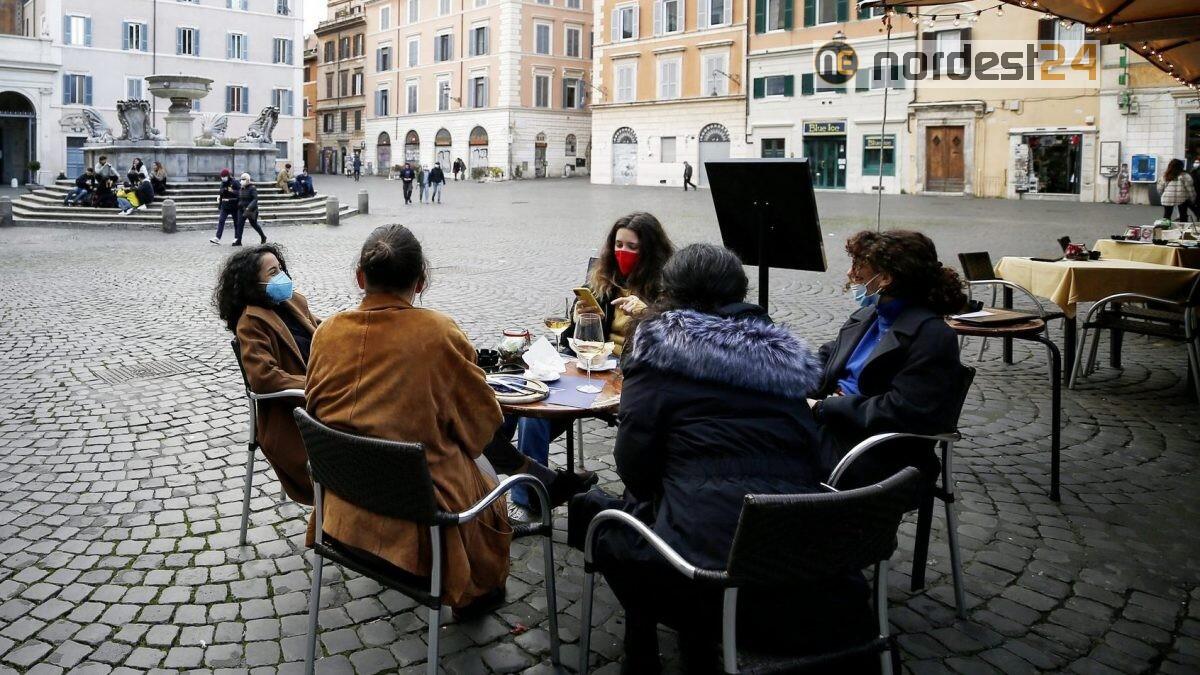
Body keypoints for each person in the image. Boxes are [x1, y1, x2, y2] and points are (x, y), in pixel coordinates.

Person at [570, 244, 873, 674]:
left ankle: (642, 646)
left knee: (600, 515)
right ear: (738, 291)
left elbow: (634, 467)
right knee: (668, 505)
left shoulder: (658, 353)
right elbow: (810, 452)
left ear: (669, 293)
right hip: (807, 568)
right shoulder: (785, 361)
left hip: (710, 586)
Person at [304, 224, 510, 613]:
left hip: (341, 513)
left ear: (361, 278)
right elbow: (482, 427)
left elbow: (314, 407)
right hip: (421, 524)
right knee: (485, 473)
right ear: (420, 282)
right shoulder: (438, 333)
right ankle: (476, 590)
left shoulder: (326, 332)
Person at [808, 229, 968, 487]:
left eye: (859, 265)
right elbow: (823, 363)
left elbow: (902, 410)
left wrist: (823, 407)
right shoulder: (866, 317)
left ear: (886, 278)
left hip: (875, 451)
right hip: (832, 429)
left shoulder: (932, 336)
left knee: (763, 455)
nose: (851, 274)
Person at [214, 244, 320, 505]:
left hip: (319, 396)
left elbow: (323, 332)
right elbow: (264, 377)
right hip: (292, 415)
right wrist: (318, 385)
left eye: (281, 268)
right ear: (254, 283)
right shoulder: (251, 321)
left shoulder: (293, 301)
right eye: (273, 272)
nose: (281, 276)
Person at [235, 172, 267, 246]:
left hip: (251, 210)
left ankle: (263, 236)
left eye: (244, 179)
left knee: (254, 224)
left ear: (248, 180)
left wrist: (249, 207)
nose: (242, 181)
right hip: (241, 209)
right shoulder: (241, 188)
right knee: (239, 224)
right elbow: (239, 198)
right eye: (241, 179)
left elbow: (255, 199)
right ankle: (239, 241)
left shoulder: (252, 188)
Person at [212, 168, 240, 245]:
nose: (222, 178)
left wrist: (232, 191)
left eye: (224, 176)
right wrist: (220, 205)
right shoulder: (222, 183)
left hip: (234, 206)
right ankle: (217, 238)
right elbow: (221, 194)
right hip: (225, 206)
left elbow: (240, 192)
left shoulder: (235, 182)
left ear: (228, 176)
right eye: (222, 177)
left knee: (236, 223)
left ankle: (237, 238)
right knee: (221, 221)